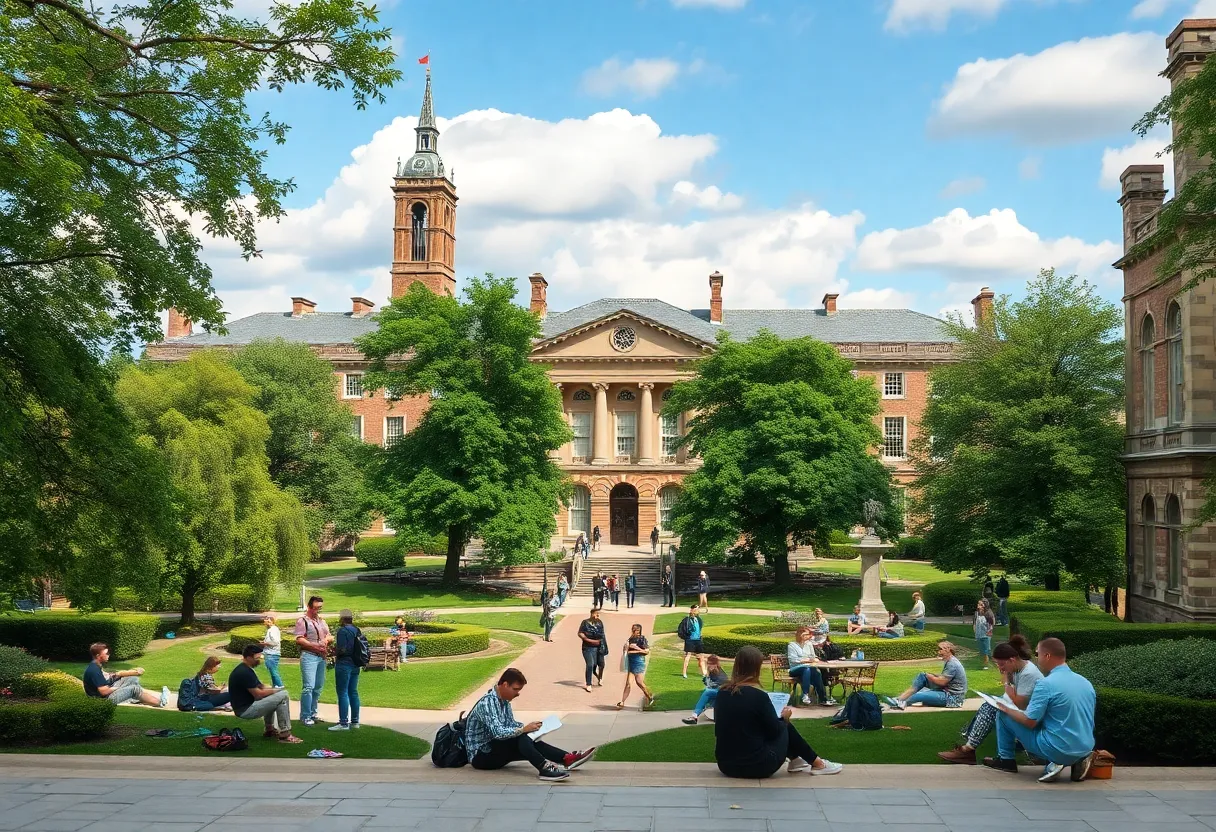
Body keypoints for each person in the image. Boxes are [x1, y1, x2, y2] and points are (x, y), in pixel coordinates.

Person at [713, 647, 843, 778]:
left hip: (726, 765)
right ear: (756, 669)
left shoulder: (722, 694)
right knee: (785, 725)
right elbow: (775, 731)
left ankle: (796, 760)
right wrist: (784, 718)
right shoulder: (759, 697)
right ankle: (818, 763)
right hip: (758, 766)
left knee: (766, 726)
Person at [984, 637, 1097, 783]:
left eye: (1037, 654)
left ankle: (1006, 760)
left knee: (1003, 715)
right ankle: (1075, 759)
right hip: (1085, 747)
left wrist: (1005, 708)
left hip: (1057, 748)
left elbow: (1030, 722)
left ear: (1047, 656)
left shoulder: (1045, 684)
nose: (1036, 659)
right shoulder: (1085, 682)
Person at [464, 668, 596, 782]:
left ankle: (566, 758)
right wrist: (523, 729)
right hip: (481, 755)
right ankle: (547, 767)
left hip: (495, 748)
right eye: (515, 689)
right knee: (522, 737)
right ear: (505, 685)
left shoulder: (504, 702)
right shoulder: (487, 703)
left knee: (527, 738)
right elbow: (498, 733)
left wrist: (532, 728)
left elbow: (511, 725)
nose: (517, 694)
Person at [939, 635, 1042, 765]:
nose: (1001, 669)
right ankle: (971, 748)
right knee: (989, 706)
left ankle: (970, 750)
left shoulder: (1028, 673)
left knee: (994, 710)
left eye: (1001, 664)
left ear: (1012, 660)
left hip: (1034, 719)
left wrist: (1006, 685)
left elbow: (1020, 704)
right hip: (1027, 713)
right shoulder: (1018, 670)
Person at [228, 644, 301, 744]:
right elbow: (258, 694)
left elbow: (261, 686)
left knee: (277, 696)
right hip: (245, 710)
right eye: (257, 658)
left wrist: (272, 690)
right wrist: (277, 691)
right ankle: (285, 733)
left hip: (246, 706)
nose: (259, 660)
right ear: (248, 658)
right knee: (283, 695)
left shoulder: (246, 669)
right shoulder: (244, 672)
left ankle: (269, 730)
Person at [886, 641, 967, 709]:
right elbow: (944, 678)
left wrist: (931, 677)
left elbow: (942, 682)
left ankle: (899, 702)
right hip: (945, 692)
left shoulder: (952, 664)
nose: (938, 652)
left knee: (918, 695)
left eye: (940, 649)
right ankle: (900, 699)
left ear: (948, 649)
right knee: (922, 676)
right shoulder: (950, 661)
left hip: (952, 699)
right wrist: (931, 676)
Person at [82, 643, 168, 707]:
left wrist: (119, 676)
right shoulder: (94, 670)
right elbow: (104, 691)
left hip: (105, 694)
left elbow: (106, 679)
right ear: (98, 655)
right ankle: (160, 703)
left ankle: (135, 699)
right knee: (134, 689)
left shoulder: (96, 665)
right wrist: (119, 688)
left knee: (132, 679)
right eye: (106, 653)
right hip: (103, 701)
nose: (108, 655)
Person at [294, 594, 331, 725]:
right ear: (309, 607)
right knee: (308, 687)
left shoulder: (322, 621)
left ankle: (313, 713)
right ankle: (305, 716)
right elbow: (299, 639)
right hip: (309, 656)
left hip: (321, 657)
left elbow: (329, 635)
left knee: (318, 687)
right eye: (316, 608)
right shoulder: (302, 621)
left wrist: (326, 640)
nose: (318, 610)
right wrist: (314, 646)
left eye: (320, 608)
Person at [786, 626, 836, 707]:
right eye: (806, 634)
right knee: (807, 668)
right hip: (795, 669)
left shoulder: (809, 644)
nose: (808, 636)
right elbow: (793, 660)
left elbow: (813, 656)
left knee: (817, 672)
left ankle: (823, 699)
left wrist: (814, 659)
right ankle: (805, 694)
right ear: (800, 635)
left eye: (808, 634)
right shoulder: (792, 645)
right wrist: (808, 660)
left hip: (808, 668)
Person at [330, 609, 362, 731]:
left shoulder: (342, 631)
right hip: (355, 663)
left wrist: (334, 651)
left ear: (342, 618)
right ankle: (355, 721)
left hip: (344, 664)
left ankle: (343, 722)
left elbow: (342, 649)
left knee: (342, 692)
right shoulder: (356, 630)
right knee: (353, 692)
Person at [616, 624, 655, 710]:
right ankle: (622, 702)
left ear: (639, 630)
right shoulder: (630, 639)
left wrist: (636, 649)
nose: (634, 631)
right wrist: (625, 648)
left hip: (639, 662)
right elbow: (627, 651)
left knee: (639, 683)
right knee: (628, 683)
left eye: (636, 630)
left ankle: (650, 697)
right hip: (631, 663)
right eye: (633, 629)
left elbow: (646, 651)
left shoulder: (642, 639)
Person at [682, 654, 728, 725]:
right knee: (706, 691)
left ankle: (695, 716)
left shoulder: (721, 675)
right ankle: (706, 711)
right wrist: (707, 681)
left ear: (716, 664)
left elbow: (719, 687)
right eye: (708, 663)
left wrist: (708, 683)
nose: (709, 665)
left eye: (711, 664)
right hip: (718, 695)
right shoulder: (713, 672)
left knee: (707, 692)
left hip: (723, 695)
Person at [577, 608, 608, 692]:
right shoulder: (585, 622)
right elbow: (580, 633)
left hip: (599, 647)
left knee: (601, 664)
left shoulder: (600, 622)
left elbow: (603, 635)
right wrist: (587, 639)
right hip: (588, 647)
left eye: (598, 614)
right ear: (592, 614)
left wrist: (604, 646)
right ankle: (588, 684)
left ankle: (600, 677)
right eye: (596, 614)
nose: (597, 615)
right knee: (590, 664)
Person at [680, 604, 706, 679]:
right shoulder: (687, 620)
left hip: (698, 640)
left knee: (701, 656)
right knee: (688, 656)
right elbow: (683, 630)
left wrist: (700, 637)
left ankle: (704, 672)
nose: (698, 611)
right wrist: (686, 637)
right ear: (692, 610)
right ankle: (684, 672)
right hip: (690, 640)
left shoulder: (698, 619)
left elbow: (700, 629)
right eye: (696, 609)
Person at [261, 613, 283, 687]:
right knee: (272, 671)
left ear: (270, 622)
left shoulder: (272, 630)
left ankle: (280, 686)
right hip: (271, 653)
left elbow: (275, 642)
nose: (265, 622)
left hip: (272, 654)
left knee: (273, 671)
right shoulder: (271, 629)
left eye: (266, 621)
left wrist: (265, 643)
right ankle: (276, 686)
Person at [974, 600, 995, 669]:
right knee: (981, 650)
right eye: (978, 604)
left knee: (986, 651)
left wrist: (989, 631)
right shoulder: (977, 613)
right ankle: (982, 663)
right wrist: (975, 632)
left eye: (980, 604)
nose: (978, 605)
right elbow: (975, 623)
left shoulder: (988, 613)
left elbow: (992, 623)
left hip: (986, 635)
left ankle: (986, 665)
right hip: (979, 635)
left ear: (984, 605)